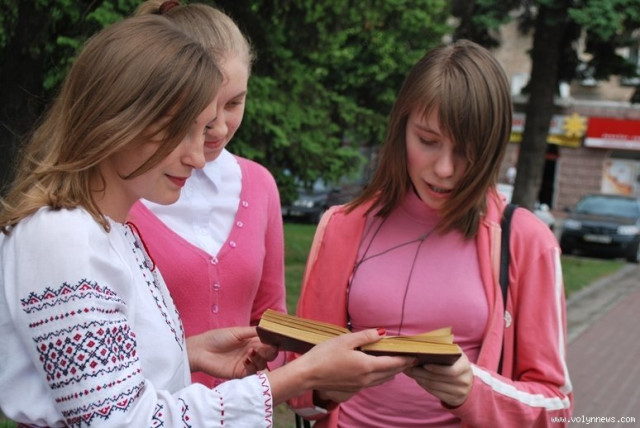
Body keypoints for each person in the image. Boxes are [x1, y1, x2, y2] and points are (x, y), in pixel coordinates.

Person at [0, 14, 416, 427]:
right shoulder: (62, 237)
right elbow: (119, 421)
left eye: (201, 131)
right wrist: (298, 377)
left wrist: (187, 352)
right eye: (180, 131)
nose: (197, 157)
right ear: (118, 119)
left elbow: (106, 383)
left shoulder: (108, 230)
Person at [289, 39, 573, 427]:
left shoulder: (527, 241)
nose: (444, 169)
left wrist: (473, 390)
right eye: (427, 140)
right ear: (401, 128)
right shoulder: (343, 225)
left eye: (466, 150)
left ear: (492, 148)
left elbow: (558, 410)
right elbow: (300, 394)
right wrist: (323, 388)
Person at [128, 0, 287, 389]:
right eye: (202, 108)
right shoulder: (122, 193)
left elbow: (272, 315)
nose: (218, 126)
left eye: (234, 103)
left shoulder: (259, 184)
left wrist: (274, 361)